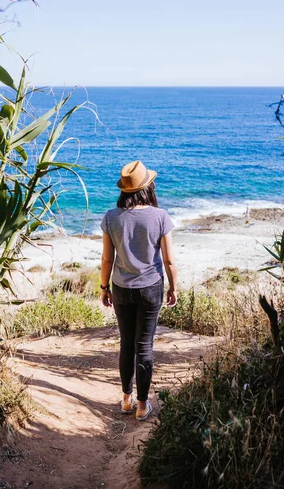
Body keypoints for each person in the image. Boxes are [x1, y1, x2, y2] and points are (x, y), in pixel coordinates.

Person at [100, 160, 178, 421]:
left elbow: (106, 260)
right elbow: (169, 260)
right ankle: (143, 406)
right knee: (144, 345)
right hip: (151, 287)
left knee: (126, 344)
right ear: (148, 188)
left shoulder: (111, 217)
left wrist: (103, 287)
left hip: (121, 287)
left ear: (124, 189)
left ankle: (125, 400)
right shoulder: (160, 216)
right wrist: (174, 287)